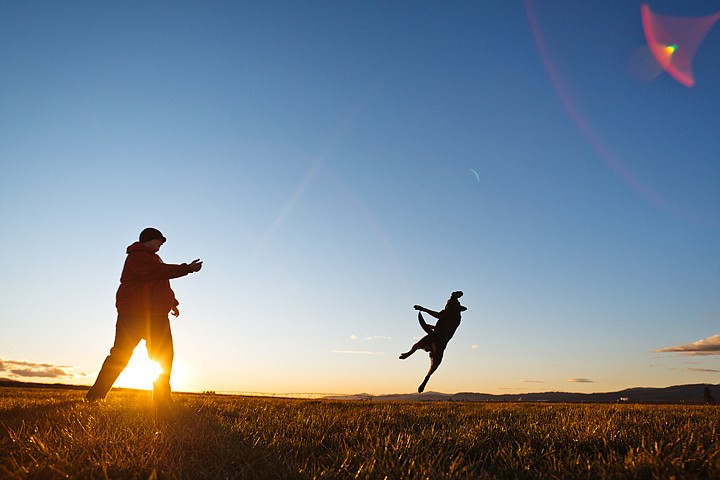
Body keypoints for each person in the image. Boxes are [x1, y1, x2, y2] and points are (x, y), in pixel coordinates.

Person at [86, 227, 202, 407]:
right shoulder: (137, 256)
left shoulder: (153, 259)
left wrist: (172, 302)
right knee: (120, 356)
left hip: (155, 316)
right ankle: (95, 396)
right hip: (133, 316)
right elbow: (158, 272)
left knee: (162, 357)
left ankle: (162, 400)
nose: (161, 244)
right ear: (147, 239)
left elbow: (159, 282)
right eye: (158, 240)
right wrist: (187, 268)